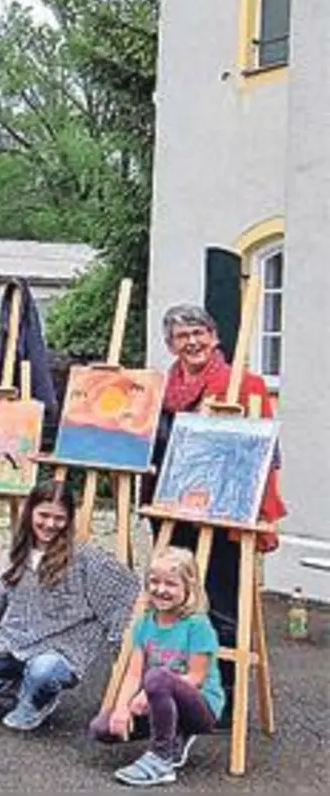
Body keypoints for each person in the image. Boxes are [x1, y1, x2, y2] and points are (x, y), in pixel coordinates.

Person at [150, 304, 286, 722]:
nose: (191, 342)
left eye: (198, 333)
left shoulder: (242, 385)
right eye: (180, 336)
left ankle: (221, 695)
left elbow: (267, 455)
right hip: (174, 511)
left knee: (221, 601)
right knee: (175, 596)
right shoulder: (162, 390)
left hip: (226, 513)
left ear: (214, 336)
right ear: (170, 344)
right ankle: (174, 680)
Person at [0, 480, 139, 731]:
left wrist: (118, 647)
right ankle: (23, 689)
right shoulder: (19, 551)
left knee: (43, 670)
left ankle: (38, 699)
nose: (50, 524)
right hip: (13, 647)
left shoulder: (85, 557)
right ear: (30, 511)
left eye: (59, 518)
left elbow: (129, 591)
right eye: (44, 515)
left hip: (59, 653)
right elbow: (2, 605)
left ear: (70, 519)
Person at [90, 547, 223, 787]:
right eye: (154, 582)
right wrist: (121, 709)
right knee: (102, 728)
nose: (160, 590)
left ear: (188, 588)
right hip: (157, 695)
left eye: (170, 584)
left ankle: (162, 759)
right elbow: (133, 674)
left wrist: (150, 688)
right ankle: (174, 736)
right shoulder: (144, 623)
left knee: (157, 677)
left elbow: (196, 677)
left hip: (200, 707)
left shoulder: (197, 625)